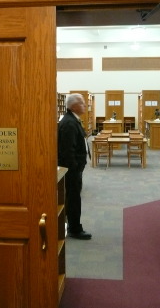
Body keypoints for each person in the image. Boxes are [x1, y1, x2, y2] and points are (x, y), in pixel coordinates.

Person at [58, 94, 92, 240]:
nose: (85, 105)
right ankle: (74, 229)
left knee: (73, 198)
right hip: (71, 170)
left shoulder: (73, 120)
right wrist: (75, 168)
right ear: (73, 106)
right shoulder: (70, 123)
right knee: (73, 199)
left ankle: (71, 225)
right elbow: (67, 150)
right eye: (82, 103)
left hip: (74, 168)